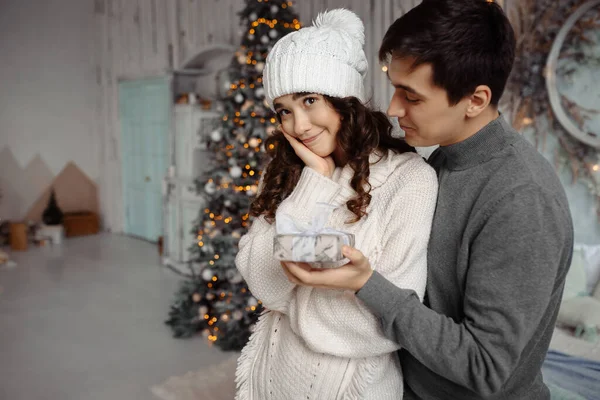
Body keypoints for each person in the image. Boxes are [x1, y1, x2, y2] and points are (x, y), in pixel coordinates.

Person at [282, 1, 574, 399]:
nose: (392, 108)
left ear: (475, 100)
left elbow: (485, 366)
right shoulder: (440, 159)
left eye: (411, 97)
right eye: (394, 87)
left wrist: (368, 284)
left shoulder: (521, 199)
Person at [234, 8, 438, 400]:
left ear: (346, 99)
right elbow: (263, 284)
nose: (299, 125)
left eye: (309, 100)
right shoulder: (283, 171)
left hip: (352, 389)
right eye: (284, 111)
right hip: (271, 378)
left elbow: (382, 326)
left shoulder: (409, 180)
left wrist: (293, 303)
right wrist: (315, 180)